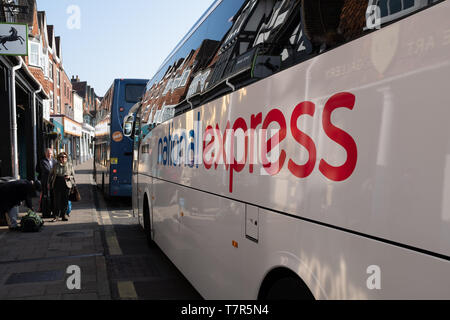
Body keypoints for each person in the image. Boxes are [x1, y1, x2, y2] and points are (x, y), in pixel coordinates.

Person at [48, 152, 76, 222]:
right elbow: (50, 174)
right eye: (61, 157)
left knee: (65, 201)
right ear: (58, 158)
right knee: (56, 201)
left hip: (66, 184)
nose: (63, 158)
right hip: (57, 183)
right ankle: (56, 216)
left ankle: (64, 215)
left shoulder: (70, 165)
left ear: (66, 158)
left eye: (64, 157)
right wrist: (48, 183)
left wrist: (69, 176)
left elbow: (73, 176)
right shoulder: (55, 165)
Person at [36, 148, 57, 213]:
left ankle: (53, 209)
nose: (49, 155)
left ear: (52, 154)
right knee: (45, 195)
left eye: (50, 153)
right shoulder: (43, 161)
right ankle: (45, 210)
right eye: (48, 153)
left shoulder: (55, 161)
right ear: (45, 154)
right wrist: (54, 171)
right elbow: (47, 170)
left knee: (53, 195)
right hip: (45, 181)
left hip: (53, 181)